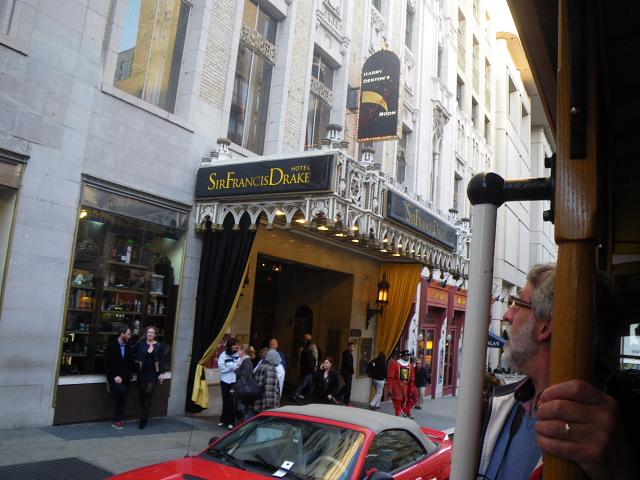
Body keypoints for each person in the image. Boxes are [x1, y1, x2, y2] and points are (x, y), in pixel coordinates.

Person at [479, 264, 638, 479]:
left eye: (517, 303)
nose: (508, 315)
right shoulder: (498, 405)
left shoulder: (620, 428)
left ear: (546, 326)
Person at [133, 326, 168, 429]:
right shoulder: (140, 344)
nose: (150, 334)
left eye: (152, 333)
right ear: (146, 333)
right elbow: (133, 353)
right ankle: (145, 412)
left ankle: (143, 418)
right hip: (142, 372)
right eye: (149, 332)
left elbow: (163, 360)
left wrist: (162, 373)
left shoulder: (160, 346)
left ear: (155, 335)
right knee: (142, 394)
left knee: (148, 393)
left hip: (153, 372)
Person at [104, 326, 134, 429]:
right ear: (122, 334)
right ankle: (117, 420)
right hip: (114, 378)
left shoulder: (128, 346)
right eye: (128, 334)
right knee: (122, 393)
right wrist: (115, 376)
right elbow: (107, 364)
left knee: (122, 398)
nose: (130, 336)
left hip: (125, 378)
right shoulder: (112, 346)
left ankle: (117, 420)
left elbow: (130, 363)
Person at [217, 337, 239, 430]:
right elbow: (221, 368)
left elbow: (238, 367)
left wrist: (230, 365)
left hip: (234, 381)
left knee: (231, 402)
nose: (236, 346)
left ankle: (231, 422)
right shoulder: (223, 355)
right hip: (224, 381)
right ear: (230, 345)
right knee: (225, 401)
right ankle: (223, 420)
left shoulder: (238, 355)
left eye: (237, 345)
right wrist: (232, 367)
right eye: (235, 345)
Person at [387, 350, 416, 418]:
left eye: (408, 356)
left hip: (406, 387)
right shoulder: (395, 364)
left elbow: (412, 379)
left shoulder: (410, 365)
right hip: (396, 386)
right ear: (402, 356)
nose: (407, 357)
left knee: (403, 403)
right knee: (397, 404)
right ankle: (398, 416)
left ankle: (402, 413)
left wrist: (411, 389)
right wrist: (390, 387)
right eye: (406, 356)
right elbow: (390, 377)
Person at [253, 349, 281, 414]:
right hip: (264, 406)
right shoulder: (271, 369)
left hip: (257, 402)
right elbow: (270, 391)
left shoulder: (261, 365)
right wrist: (272, 410)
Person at [235, 345, 258, 420]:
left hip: (245, 389)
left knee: (244, 410)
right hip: (243, 388)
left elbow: (244, 375)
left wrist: (236, 369)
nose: (237, 351)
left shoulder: (246, 361)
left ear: (243, 351)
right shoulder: (243, 360)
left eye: (239, 350)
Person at [340, 342, 355, 406]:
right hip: (347, 373)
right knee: (348, 387)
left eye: (353, 347)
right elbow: (349, 364)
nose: (352, 348)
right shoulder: (347, 354)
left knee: (347, 386)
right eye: (351, 347)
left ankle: (338, 396)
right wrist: (352, 371)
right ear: (348, 347)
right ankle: (347, 402)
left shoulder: (347, 353)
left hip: (346, 372)